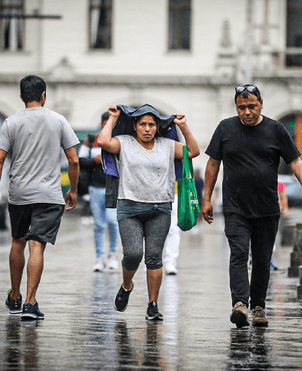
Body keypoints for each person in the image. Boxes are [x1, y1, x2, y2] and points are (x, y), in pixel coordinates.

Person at [201, 84, 302, 328]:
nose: (247, 112)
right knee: (239, 254)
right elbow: (213, 164)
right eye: (241, 107)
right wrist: (207, 199)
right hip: (235, 207)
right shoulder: (225, 128)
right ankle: (240, 304)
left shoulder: (275, 130)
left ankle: (258, 307)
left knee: (262, 260)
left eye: (251, 106)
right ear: (236, 108)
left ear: (261, 104)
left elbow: (295, 160)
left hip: (267, 208)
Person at [97, 104, 199, 321]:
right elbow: (103, 142)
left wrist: (184, 127)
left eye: (151, 124)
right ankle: (126, 286)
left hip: (160, 208)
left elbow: (193, 152)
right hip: (129, 207)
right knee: (133, 254)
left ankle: (152, 305)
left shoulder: (168, 145)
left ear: (157, 127)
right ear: (135, 126)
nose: (147, 128)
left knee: (154, 258)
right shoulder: (124, 142)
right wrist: (113, 118)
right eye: (142, 124)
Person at [1, 75, 80, 320]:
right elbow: (74, 160)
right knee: (37, 246)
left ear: (22, 96)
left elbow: (0, 159)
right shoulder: (58, 120)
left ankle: (14, 297)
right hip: (48, 194)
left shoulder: (10, 123)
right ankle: (30, 302)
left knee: (18, 241)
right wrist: (73, 190)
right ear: (44, 96)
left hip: (19, 194)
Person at [78, 112, 119, 272]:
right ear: (102, 124)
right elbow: (80, 160)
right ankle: (100, 258)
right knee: (99, 225)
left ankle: (113, 255)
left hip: (113, 188)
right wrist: (93, 161)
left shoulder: (118, 140)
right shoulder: (92, 140)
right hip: (95, 187)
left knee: (113, 222)